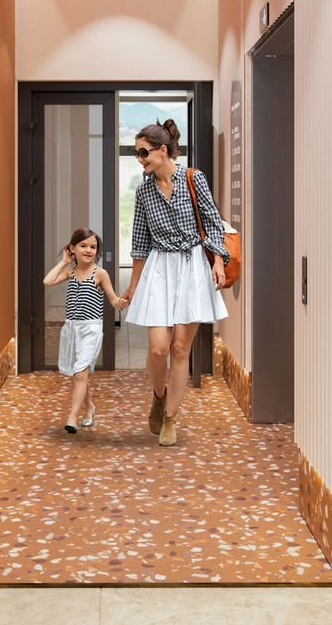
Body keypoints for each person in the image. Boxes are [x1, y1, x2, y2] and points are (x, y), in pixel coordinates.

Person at [121, 120, 228, 447]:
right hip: (160, 268)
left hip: (192, 266)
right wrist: (133, 285)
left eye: (143, 153)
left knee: (180, 347)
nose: (140, 159)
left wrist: (218, 261)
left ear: (162, 150)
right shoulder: (143, 191)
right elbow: (140, 241)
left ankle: (170, 418)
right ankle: (159, 395)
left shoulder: (194, 179)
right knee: (158, 349)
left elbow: (213, 223)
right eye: (137, 154)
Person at [44, 227, 125, 434]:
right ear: (72, 248)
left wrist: (123, 301)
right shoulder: (70, 273)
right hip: (71, 328)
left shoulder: (100, 274)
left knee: (80, 374)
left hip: (91, 329)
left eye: (93, 247)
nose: (88, 250)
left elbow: (113, 300)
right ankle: (89, 407)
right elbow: (48, 281)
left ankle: (72, 418)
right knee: (79, 374)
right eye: (83, 246)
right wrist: (64, 261)